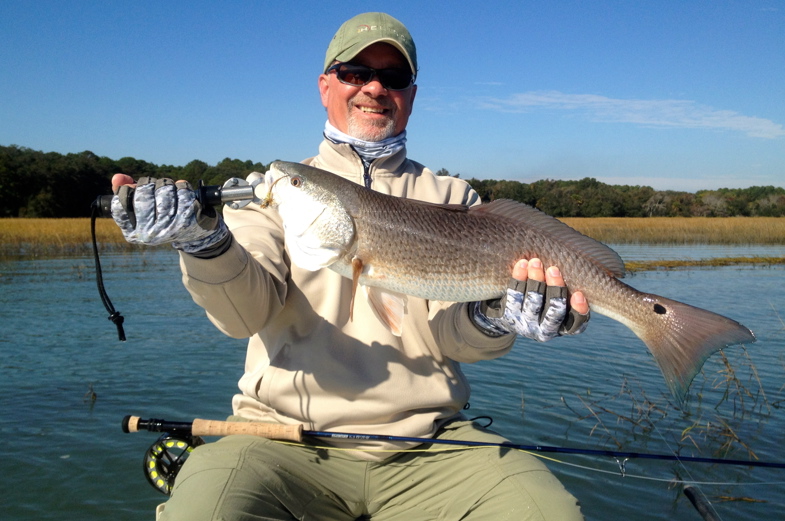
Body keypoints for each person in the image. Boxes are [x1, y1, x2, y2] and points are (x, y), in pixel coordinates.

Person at [111, 12, 589, 521]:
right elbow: (241, 317)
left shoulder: (452, 198)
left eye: (394, 76)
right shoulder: (270, 191)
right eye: (355, 73)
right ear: (325, 86)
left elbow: (454, 339)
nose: (375, 87)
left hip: (431, 443)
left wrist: (496, 318)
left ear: (411, 95)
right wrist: (202, 242)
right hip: (280, 438)